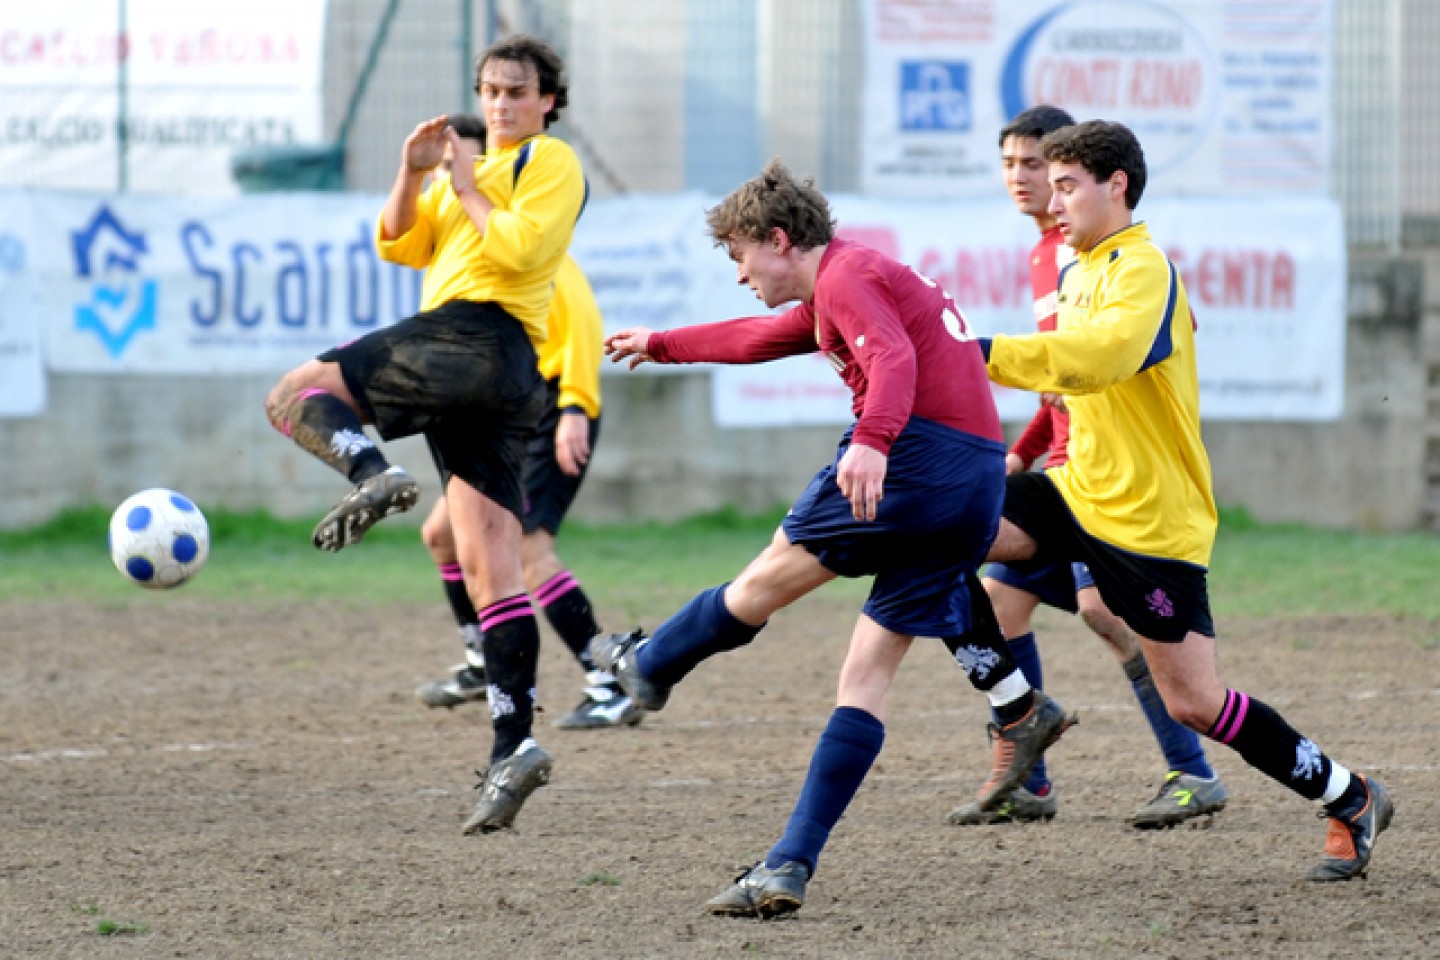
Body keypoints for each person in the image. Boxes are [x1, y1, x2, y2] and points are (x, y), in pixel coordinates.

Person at [593, 160, 1076, 918]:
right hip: (974, 482)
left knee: (757, 589)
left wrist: (874, 440)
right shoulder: (845, 280)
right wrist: (661, 343)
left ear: (778, 239)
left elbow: (894, 358)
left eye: (739, 256)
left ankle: (646, 665)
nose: (739, 273)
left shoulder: (847, 278)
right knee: (864, 677)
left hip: (913, 459)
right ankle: (789, 862)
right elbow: (762, 337)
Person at [978, 119, 1392, 881]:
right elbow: (1069, 384)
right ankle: (1016, 707)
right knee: (946, 526)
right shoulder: (1075, 270)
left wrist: (982, 354)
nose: (1052, 199)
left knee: (1195, 704)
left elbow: (1100, 358)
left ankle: (1351, 795)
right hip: (1078, 491)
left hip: (1150, 524)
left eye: (1067, 184)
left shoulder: (1143, 271)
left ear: (1118, 187)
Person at [263, 35, 586, 833]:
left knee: (295, 392)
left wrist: (469, 185)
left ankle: (371, 472)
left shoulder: (548, 164)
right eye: (490, 90)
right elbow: (400, 244)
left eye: (516, 91)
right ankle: (514, 746)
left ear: (548, 100)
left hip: (480, 337)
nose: (501, 103)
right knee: (490, 567)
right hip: (492, 377)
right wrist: (412, 174)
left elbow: (518, 250)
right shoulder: (458, 176)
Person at [949, 106, 1227, 829]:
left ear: (1106, 183)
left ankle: (1192, 771)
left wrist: (1036, 426)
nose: (1024, 179)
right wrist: (1026, 445)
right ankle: (1030, 773)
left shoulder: (1116, 260)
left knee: (1106, 612)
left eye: (1041, 168)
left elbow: (1118, 352)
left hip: (1105, 479)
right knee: (997, 596)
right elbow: (1062, 376)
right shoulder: (1054, 257)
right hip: (1065, 466)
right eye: (1010, 164)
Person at [412, 117, 638, 731]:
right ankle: (483, 659)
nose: (446, 183)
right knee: (442, 534)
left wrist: (575, 410)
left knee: (530, 555)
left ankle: (609, 683)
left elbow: (584, 325)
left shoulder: (530, 251)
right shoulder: (467, 250)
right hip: (508, 416)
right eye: (438, 172)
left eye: (454, 170)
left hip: (548, 414)